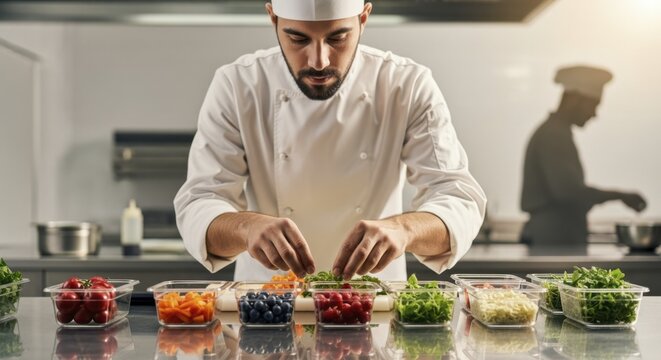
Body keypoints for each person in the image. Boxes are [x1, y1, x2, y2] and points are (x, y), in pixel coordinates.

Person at [174, 0, 486, 281]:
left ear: (364, 18)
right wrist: (247, 227)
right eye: (298, 38)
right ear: (273, 18)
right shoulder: (238, 85)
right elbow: (199, 203)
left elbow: (458, 199)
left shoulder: (406, 85)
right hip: (268, 308)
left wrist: (403, 229)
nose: (319, 60)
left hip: (374, 309)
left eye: (337, 38)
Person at [520, 65, 647, 250]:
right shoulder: (554, 135)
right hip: (554, 240)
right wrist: (620, 195)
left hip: (556, 237)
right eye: (593, 106)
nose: (594, 114)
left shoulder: (556, 132)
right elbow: (568, 192)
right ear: (575, 101)